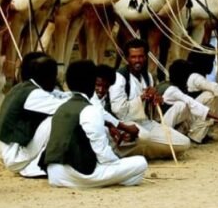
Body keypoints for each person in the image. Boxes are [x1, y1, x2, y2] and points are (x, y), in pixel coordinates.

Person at [42, 60, 148, 188]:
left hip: (54, 175)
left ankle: (118, 179)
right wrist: (117, 165)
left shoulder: (61, 107)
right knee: (140, 163)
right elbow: (104, 155)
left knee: (132, 176)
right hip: (79, 174)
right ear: (91, 83)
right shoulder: (90, 110)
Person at [109, 38, 191, 159]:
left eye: (141, 57)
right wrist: (142, 98)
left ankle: (145, 151)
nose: (138, 61)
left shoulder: (148, 76)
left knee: (184, 142)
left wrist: (155, 100)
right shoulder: (119, 78)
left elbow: (150, 111)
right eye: (134, 57)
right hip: (125, 124)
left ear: (146, 57)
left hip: (145, 123)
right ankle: (131, 151)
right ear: (127, 58)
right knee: (144, 137)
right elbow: (119, 111)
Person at [0, 52, 68, 177]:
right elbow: (67, 107)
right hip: (13, 154)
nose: (55, 80)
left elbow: (60, 96)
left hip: (2, 146)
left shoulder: (22, 87)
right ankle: (35, 166)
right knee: (59, 118)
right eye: (53, 76)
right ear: (45, 76)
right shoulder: (34, 94)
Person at [159, 59, 218, 143]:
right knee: (184, 104)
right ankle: (171, 136)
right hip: (164, 129)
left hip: (175, 125)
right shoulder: (172, 90)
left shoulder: (167, 85)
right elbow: (193, 104)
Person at [93, 64, 140, 149]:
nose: (101, 90)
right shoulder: (89, 96)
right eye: (97, 85)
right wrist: (125, 128)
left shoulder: (106, 98)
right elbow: (100, 114)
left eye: (105, 87)